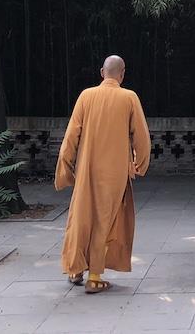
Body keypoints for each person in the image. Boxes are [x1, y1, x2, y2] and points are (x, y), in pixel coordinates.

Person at [55, 55, 151, 293]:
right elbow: (142, 138)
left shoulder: (86, 96)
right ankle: (95, 276)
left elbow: (70, 137)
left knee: (80, 216)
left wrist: (66, 167)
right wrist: (140, 164)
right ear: (122, 74)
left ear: (101, 72)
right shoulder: (129, 97)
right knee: (105, 219)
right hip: (115, 172)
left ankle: (75, 268)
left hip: (87, 168)